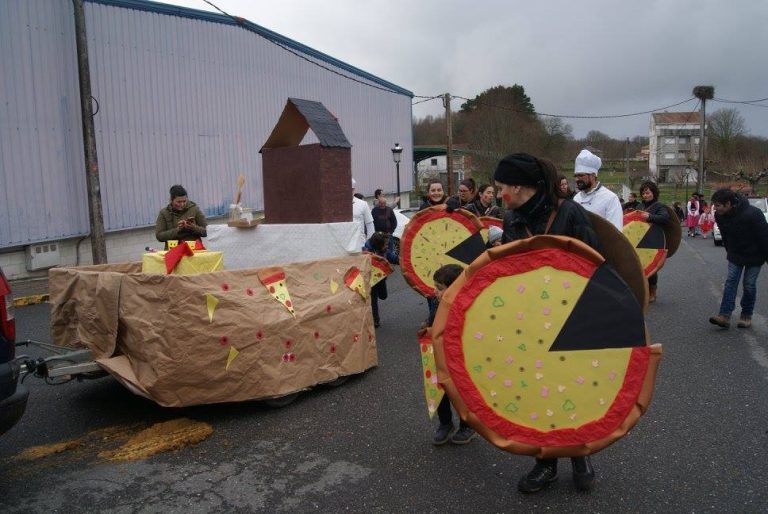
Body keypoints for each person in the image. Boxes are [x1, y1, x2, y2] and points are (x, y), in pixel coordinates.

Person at [494, 152, 600, 493]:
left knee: (574, 387)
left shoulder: (570, 213)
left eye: (501, 188)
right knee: (539, 393)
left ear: (521, 186)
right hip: (531, 325)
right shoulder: (512, 220)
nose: (498, 195)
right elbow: (508, 272)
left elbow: (595, 267)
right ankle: (546, 462)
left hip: (573, 321)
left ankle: (580, 453)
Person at [427, 263, 477, 446]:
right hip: (438, 357)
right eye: (435, 287)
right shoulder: (437, 304)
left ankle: (468, 424)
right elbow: (433, 324)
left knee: (462, 391)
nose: (435, 292)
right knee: (440, 389)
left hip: (459, 359)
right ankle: (445, 423)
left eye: (439, 288)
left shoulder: (466, 308)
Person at [708, 189, 768, 329]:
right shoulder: (720, 215)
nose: (715, 209)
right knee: (730, 282)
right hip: (736, 254)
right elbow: (724, 234)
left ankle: (746, 315)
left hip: (755, 255)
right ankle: (724, 315)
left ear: (728, 203)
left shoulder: (753, 214)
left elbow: (764, 238)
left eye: (718, 205)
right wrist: (729, 250)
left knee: (749, 285)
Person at [572, 149, 623, 230]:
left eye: (581, 175)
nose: (577, 179)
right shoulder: (576, 198)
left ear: (592, 175)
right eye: (575, 176)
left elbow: (615, 232)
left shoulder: (610, 198)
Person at [636, 181, 670, 303]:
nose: (645, 195)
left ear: (654, 193)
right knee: (639, 266)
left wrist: (650, 217)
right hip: (638, 239)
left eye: (648, 193)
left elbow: (665, 218)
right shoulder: (639, 206)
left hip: (653, 240)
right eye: (643, 193)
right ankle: (642, 291)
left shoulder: (659, 206)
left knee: (651, 266)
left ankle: (653, 292)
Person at [155, 184, 207, 249]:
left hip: (194, 252)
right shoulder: (164, 213)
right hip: (173, 252)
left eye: (184, 201)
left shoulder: (194, 209)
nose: (182, 204)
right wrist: (178, 230)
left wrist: (193, 227)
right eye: (178, 202)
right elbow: (159, 236)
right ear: (171, 200)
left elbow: (207, 232)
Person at [363, 232, 398, 328]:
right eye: (385, 245)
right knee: (373, 300)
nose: (387, 246)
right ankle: (375, 320)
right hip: (371, 280)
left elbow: (393, 258)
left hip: (381, 278)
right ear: (378, 245)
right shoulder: (367, 252)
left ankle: (376, 294)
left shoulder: (385, 251)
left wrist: (403, 261)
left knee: (383, 296)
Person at [352, 178, 374, 249]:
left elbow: (370, 224)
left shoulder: (363, 204)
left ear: (354, 190)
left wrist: (368, 243)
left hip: (360, 244)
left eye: (351, 189)